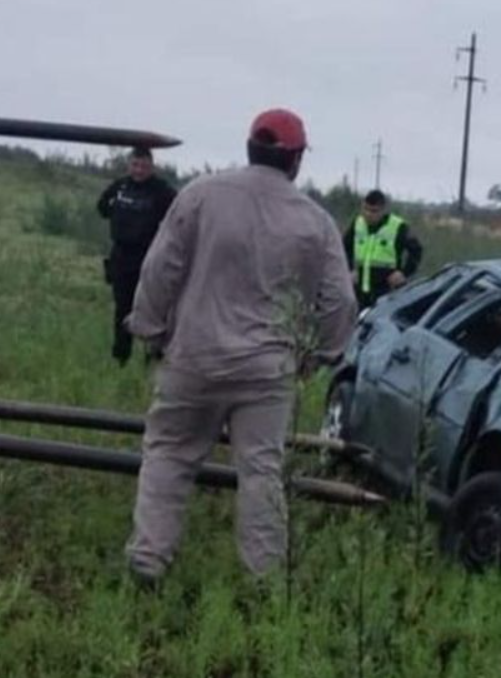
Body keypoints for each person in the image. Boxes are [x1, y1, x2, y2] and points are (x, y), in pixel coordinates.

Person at [123, 108, 357, 584]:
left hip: (193, 355)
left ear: (250, 147)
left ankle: (147, 564)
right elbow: (341, 301)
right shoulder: (315, 222)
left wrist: (151, 328)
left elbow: (160, 267)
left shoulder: (200, 195)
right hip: (268, 371)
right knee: (261, 472)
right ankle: (265, 581)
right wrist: (319, 355)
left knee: (169, 454)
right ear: (295, 160)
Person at [96, 147, 176, 366]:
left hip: (149, 257)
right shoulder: (120, 186)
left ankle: (153, 356)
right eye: (135, 165)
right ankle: (120, 357)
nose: (139, 170)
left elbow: (178, 216)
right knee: (123, 309)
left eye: (143, 166)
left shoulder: (161, 191)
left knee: (152, 308)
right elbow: (102, 207)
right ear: (128, 165)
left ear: (151, 167)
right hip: (121, 256)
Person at [342, 190, 423, 308]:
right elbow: (344, 248)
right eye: (365, 209)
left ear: (383, 210)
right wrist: (349, 270)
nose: (368, 214)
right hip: (360, 292)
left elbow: (416, 250)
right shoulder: (357, 224)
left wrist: (404, 273)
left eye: (374, 211)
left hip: (387, 291)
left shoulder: (398, 226)